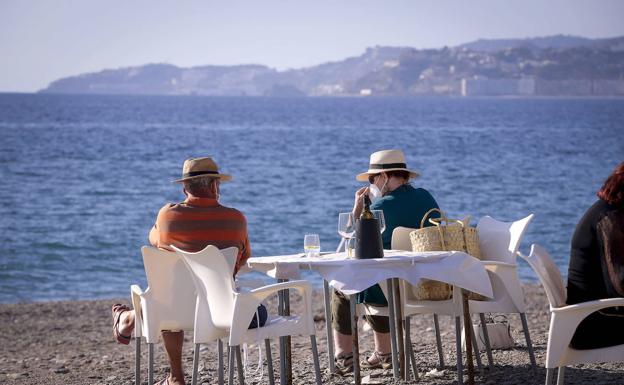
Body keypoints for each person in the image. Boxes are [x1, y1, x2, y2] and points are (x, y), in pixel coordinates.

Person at [111, 157, 263, 385]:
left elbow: (153, 239)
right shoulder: (236, 219)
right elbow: (242, 258)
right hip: (221, 312)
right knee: (258, 311)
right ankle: (128, 318)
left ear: (185, 187)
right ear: (214, 186)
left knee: (166, 293)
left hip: (172, 310)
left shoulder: (167, 216)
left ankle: (176, 376)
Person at [332, 149, 440, 373]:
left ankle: (344, 356)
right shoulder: (426, 197)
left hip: (390, 288)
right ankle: (383, 353)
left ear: (383, 176)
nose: (372, 183)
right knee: (377, 278)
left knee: (343, 287)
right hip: (426, 282)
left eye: (372, 179)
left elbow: (354, 243)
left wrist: (358, 209)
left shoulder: (380, 208)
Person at [566, 161, 624, 350]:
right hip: (593, 326)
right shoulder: (610, 221)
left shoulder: (605, 212)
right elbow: (620, 285)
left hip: (586, 318)